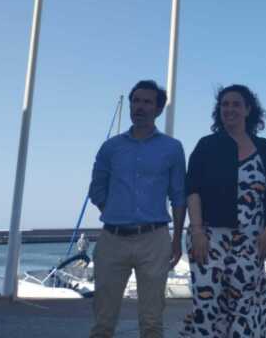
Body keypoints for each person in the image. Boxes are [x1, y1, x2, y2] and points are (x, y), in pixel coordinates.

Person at [180, 85, 266, 337]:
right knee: (207, 305)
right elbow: (192, 189)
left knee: (246, 306)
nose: (230, 109)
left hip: (251, 241)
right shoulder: (206, 145)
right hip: (209, 238)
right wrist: (197, 231)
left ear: (248, 109)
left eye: (236, 104)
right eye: (225, 104)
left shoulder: (265, 149)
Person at [88, 80, 186, 338]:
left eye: (147, 102)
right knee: (103, 321)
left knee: (152, 321)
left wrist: (177, 240)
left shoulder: (172, 149)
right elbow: (96, 188)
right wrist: (114, 210)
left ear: (157, 109)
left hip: (154, 239)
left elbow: (178, 196)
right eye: (136, 101)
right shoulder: (111, 147)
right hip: (112, 239)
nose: (139, 107)